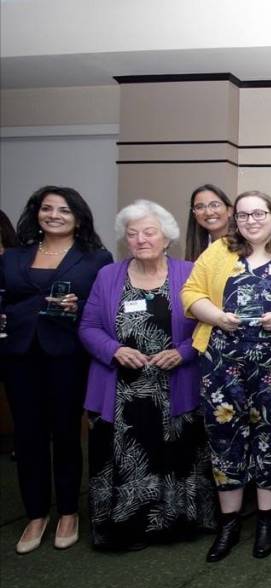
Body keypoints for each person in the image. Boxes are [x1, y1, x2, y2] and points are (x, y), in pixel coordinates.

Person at [79, 200, 216, 549]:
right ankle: (124, 529)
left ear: (166, 237)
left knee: (176, 454)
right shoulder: (108, 276)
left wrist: (183, 352)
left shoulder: (189, 272)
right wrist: (114, 350)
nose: (141, 239)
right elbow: (88, 327)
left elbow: (206, 325)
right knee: (124, 457)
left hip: (174, 385)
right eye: (133, 233)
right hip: (120, 390)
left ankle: (175, 525)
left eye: (149, 232)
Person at [181, 190, 271, 561]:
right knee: (224, 438)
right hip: (222, 363)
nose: (251, 221)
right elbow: (190, 294)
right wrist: (217, 317)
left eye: (259, 213)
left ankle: (265, 521)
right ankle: (229, 524)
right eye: (244, 215)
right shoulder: (218, 252)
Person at [1, 186, 112, 553]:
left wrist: (77, 306)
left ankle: (67, 511)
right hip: (19, 354)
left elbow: (103, 307)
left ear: (78, 218)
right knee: (27, 435)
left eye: (64, 210)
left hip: (67, 353)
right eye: (47, 209)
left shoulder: (96, 258)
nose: (54, 215)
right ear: (36, 213)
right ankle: (36, 514)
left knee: (65, 433)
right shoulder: (14, 256)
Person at [184, 184, 234, 261]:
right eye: (199, 207)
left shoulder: (245, 245)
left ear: (230, 211)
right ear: (194, 214)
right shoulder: (198, 247)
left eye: (215, 205)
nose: (208, 213)